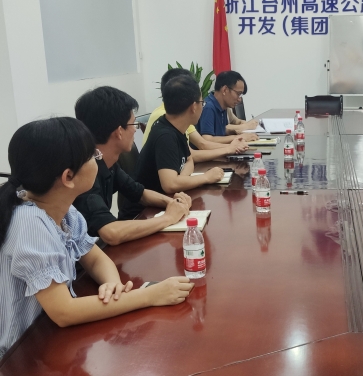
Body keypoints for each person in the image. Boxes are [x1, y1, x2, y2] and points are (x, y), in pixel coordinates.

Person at [0, 117, 193, 358]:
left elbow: (94, 258)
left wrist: (112, 284)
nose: (98, 158)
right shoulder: (30, 223)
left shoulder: (65, 210)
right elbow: (64, 312)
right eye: (92, 155)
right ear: (68, 177)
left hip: (51, 339)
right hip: (20, 355)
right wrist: (149, 295)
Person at [73, 86, 192, 245]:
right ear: (119, 132)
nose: (135, 130)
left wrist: (172, 203)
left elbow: (140, 193)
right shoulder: (85, 172)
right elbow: (111, 233)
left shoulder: (107, 162)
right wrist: (168, 218)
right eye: (133, 124)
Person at [132, 75, 224, 219]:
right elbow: (170, 184)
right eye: (202, 103)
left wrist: (181, 180)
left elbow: (189, 159)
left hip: (167, 203)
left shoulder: (175, 127)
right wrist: (206, 177)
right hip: (144, 214)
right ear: (193, 107)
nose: (202, 106)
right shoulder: (165, 135)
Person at [143, 68, 250, 162]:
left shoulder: (178, 115)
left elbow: (190, 155)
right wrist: (230, 148)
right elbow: (202, 145)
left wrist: (232, 146)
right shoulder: (168, 117)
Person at [198, 70, 260, 143]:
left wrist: (238, 132)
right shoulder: (209, 107)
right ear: (225, 90)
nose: (239, 99)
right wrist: (239, 137)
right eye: (238, 94)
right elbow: (207, 139)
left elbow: (220, 131)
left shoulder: (222, 107)